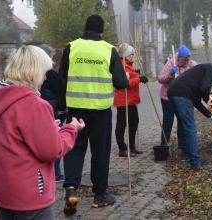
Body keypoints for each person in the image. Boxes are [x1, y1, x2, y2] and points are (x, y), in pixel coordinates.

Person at [0, 45, 85, 220]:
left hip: (1, 190)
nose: (45, 77)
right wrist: (71, 129)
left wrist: (49, 127)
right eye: (44, 72)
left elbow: (15, 137)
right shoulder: (34, 104)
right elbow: (52, 150)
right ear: (33, 72)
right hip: (28, 194)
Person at [56, 14, 129, 215]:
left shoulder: (72, 47)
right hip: (101, 111)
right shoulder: (109, 49)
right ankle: (100, 195)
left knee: (74, 149)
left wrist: (61, 110)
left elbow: (61, 81)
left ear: (85, 29)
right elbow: (121, 83)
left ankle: (71, 189)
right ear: (101, 31)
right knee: (100, 151)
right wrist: (129, 76)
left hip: (76, 110)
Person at [167, 63, 212, 170]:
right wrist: (207, 98)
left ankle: (186, 153)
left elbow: (196, 101)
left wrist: (211, 115)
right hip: (182, 94)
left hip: (173, 92)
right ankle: (195, 163)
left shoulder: (201, 75)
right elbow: (205, 88)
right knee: (191, 128)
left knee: (183, 124)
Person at [158, 45, 197, 160]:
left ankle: (182, 144)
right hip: (167, 97)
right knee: (168, 121)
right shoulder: (171, 63)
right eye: (183, 60)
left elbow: (196, 75)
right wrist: (171, 73)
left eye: (187, 60)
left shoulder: (191, 64)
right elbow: (160, 79)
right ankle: (164, 144)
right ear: (178, 58)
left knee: (182, 121)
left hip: (182, 98)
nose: (186, 63)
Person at [114, 43, 148, 157]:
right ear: (126, 55)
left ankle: (131, 146)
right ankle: (122, 148)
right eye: (131, 54)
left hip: (131, 100)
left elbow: (130, 77)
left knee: (134, 122)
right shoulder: (122, 66)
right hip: (124, 100)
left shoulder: (128, 65)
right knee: (122, 124)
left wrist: (136, 74)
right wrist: (138, 79)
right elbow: (126, 84)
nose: (132, 56)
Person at [38, 43, 65, 183]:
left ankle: (52, 173)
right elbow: (58, 89)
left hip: (46, 107)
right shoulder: (48, 73)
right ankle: (55, 173)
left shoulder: (36, 71)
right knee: (55, 140)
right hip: (52, 108)